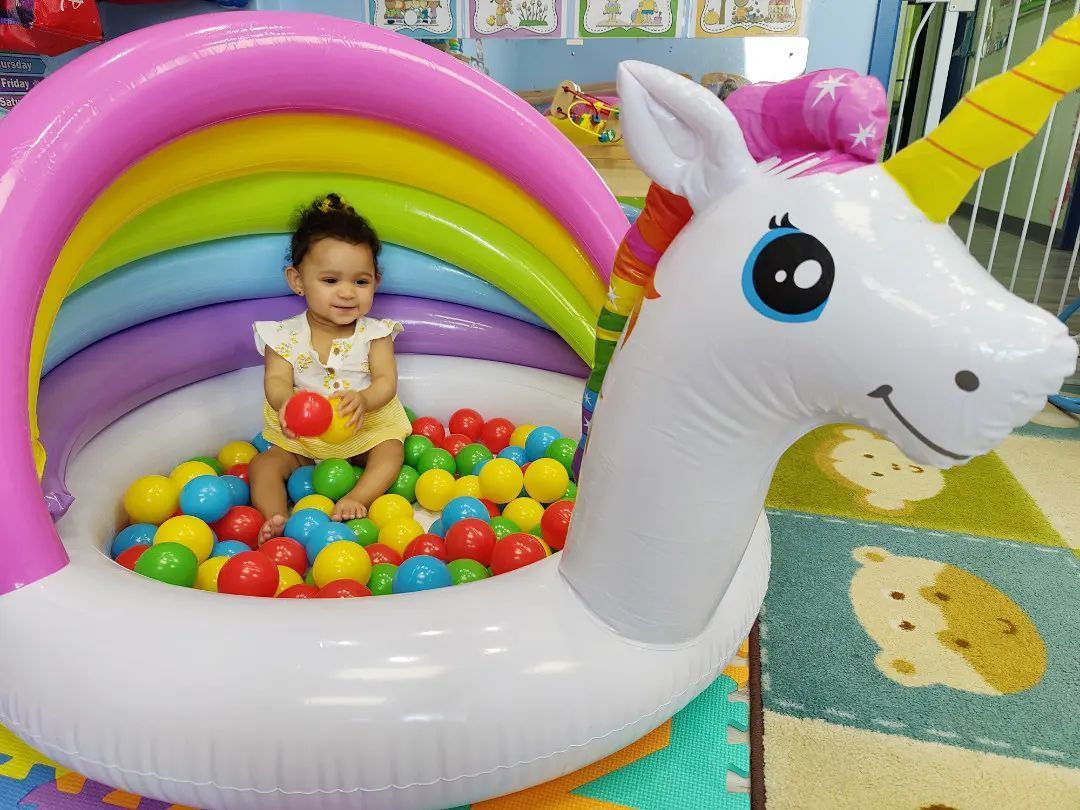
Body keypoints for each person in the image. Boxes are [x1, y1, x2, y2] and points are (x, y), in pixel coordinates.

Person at [249, 194, 411, 542]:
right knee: (263, 465)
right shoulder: (283, 335)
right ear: (297, 281)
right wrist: (287, 406)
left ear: (376, 282)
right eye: (331, 280)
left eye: (360, 281)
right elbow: (276, 381)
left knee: (391, 451)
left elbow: (386, 382)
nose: (347, 293)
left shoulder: (375, 333)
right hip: (303, 439)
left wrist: (364, 400)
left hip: (363, 429)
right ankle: (274, 518)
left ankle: (358, 496)